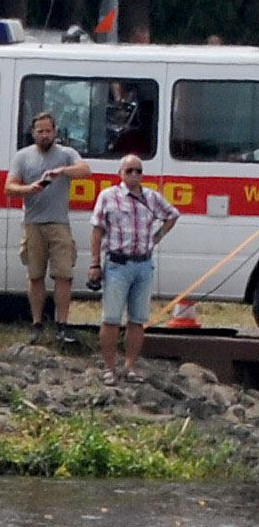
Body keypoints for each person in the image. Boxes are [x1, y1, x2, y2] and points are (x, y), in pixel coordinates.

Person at [89, 153, 180, 386]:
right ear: (120, 174)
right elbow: (97, 232)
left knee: (138, 319)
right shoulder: (108, 197)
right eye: (129, 170)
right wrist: (94, 264)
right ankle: (109, 368)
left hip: (143, 264)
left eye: (138, 170)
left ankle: (130, 366)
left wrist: (157, 237)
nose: (134, 175)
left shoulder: (151, 197)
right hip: (117, 264)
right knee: (111, 318)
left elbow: (172, 215)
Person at [11, 111, 92, 341]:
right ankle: (36, 323)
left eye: (48, 130)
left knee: (63, 275)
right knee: (35, 275)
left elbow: (86, 171)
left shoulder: (66, 154)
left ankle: (63, 324)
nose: (45, 135)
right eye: (40, 131)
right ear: (33, 133)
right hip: (33, 224)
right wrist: (29, 189)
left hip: (59, 224)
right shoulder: (23, 157)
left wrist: (62, 171)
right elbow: (9, 187)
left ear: (55, 132)